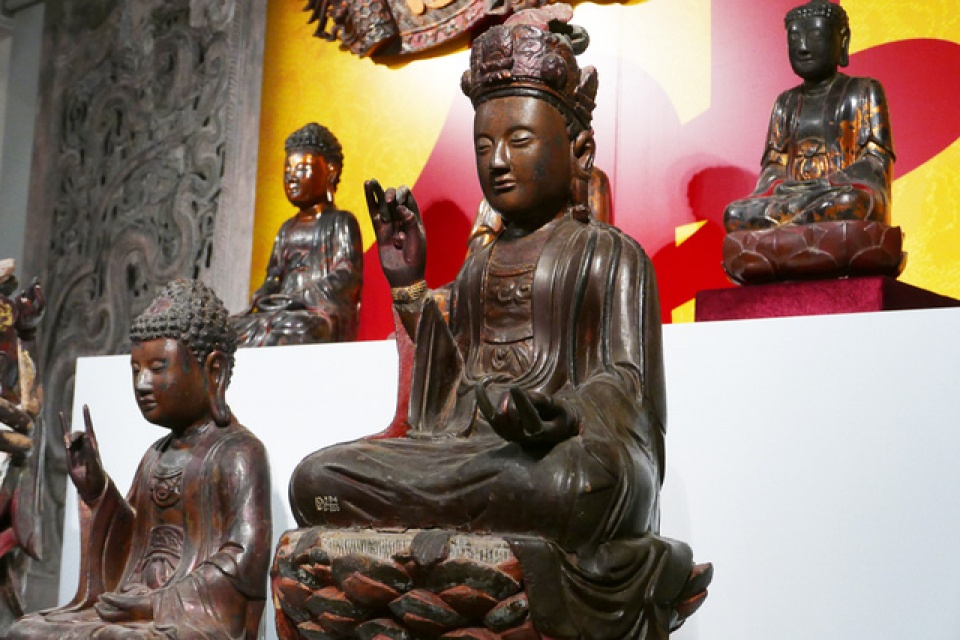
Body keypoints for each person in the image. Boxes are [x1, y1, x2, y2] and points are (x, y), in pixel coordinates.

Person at [288, 7, 708, 637]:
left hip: (555, 460)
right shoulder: (479, 265)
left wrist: (563, 413)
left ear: (580, 150)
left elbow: (629, 385)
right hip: (473, 457)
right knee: (316, 480)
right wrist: (409, 284)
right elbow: (445, 391)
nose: (498, 162)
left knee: (571, 485)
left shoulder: (611, 255)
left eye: (519, 141)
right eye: (484, 146)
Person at [9, 279, 271, 640]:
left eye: (158, 367)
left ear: (214, 370)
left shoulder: (239, 453)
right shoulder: (155, 455)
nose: (143, 384)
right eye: (136, 370)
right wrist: (96, 489)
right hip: (133, 602)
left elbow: (246, 559)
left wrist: (158, 603)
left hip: (192, 614)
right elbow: (130, 538)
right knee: (27, 629)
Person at [723, 0, 894, 232]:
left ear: (843, 41)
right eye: (794, 38)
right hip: (794, 197)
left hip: (838, 192)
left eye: (815, 36)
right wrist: (784, 187)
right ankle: (799, 225)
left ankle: (791, 228)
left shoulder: (864, 91)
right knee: (734, 214)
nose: (803, 47)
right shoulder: (785, 102)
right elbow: (773, 166)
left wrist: (828, 182)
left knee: (850, 202)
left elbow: (876, 162)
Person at [231, 123, 363, 346]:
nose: (291, 178)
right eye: (287, 171)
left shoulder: (341, 222)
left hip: (316, 312)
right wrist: (264, 295)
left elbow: (346, 275)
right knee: (231, 331)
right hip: (281, 309)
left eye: (301, 169)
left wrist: (302, 297)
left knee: (299, 328)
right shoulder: (286, 229)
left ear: (330, 171)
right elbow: (274, 277)